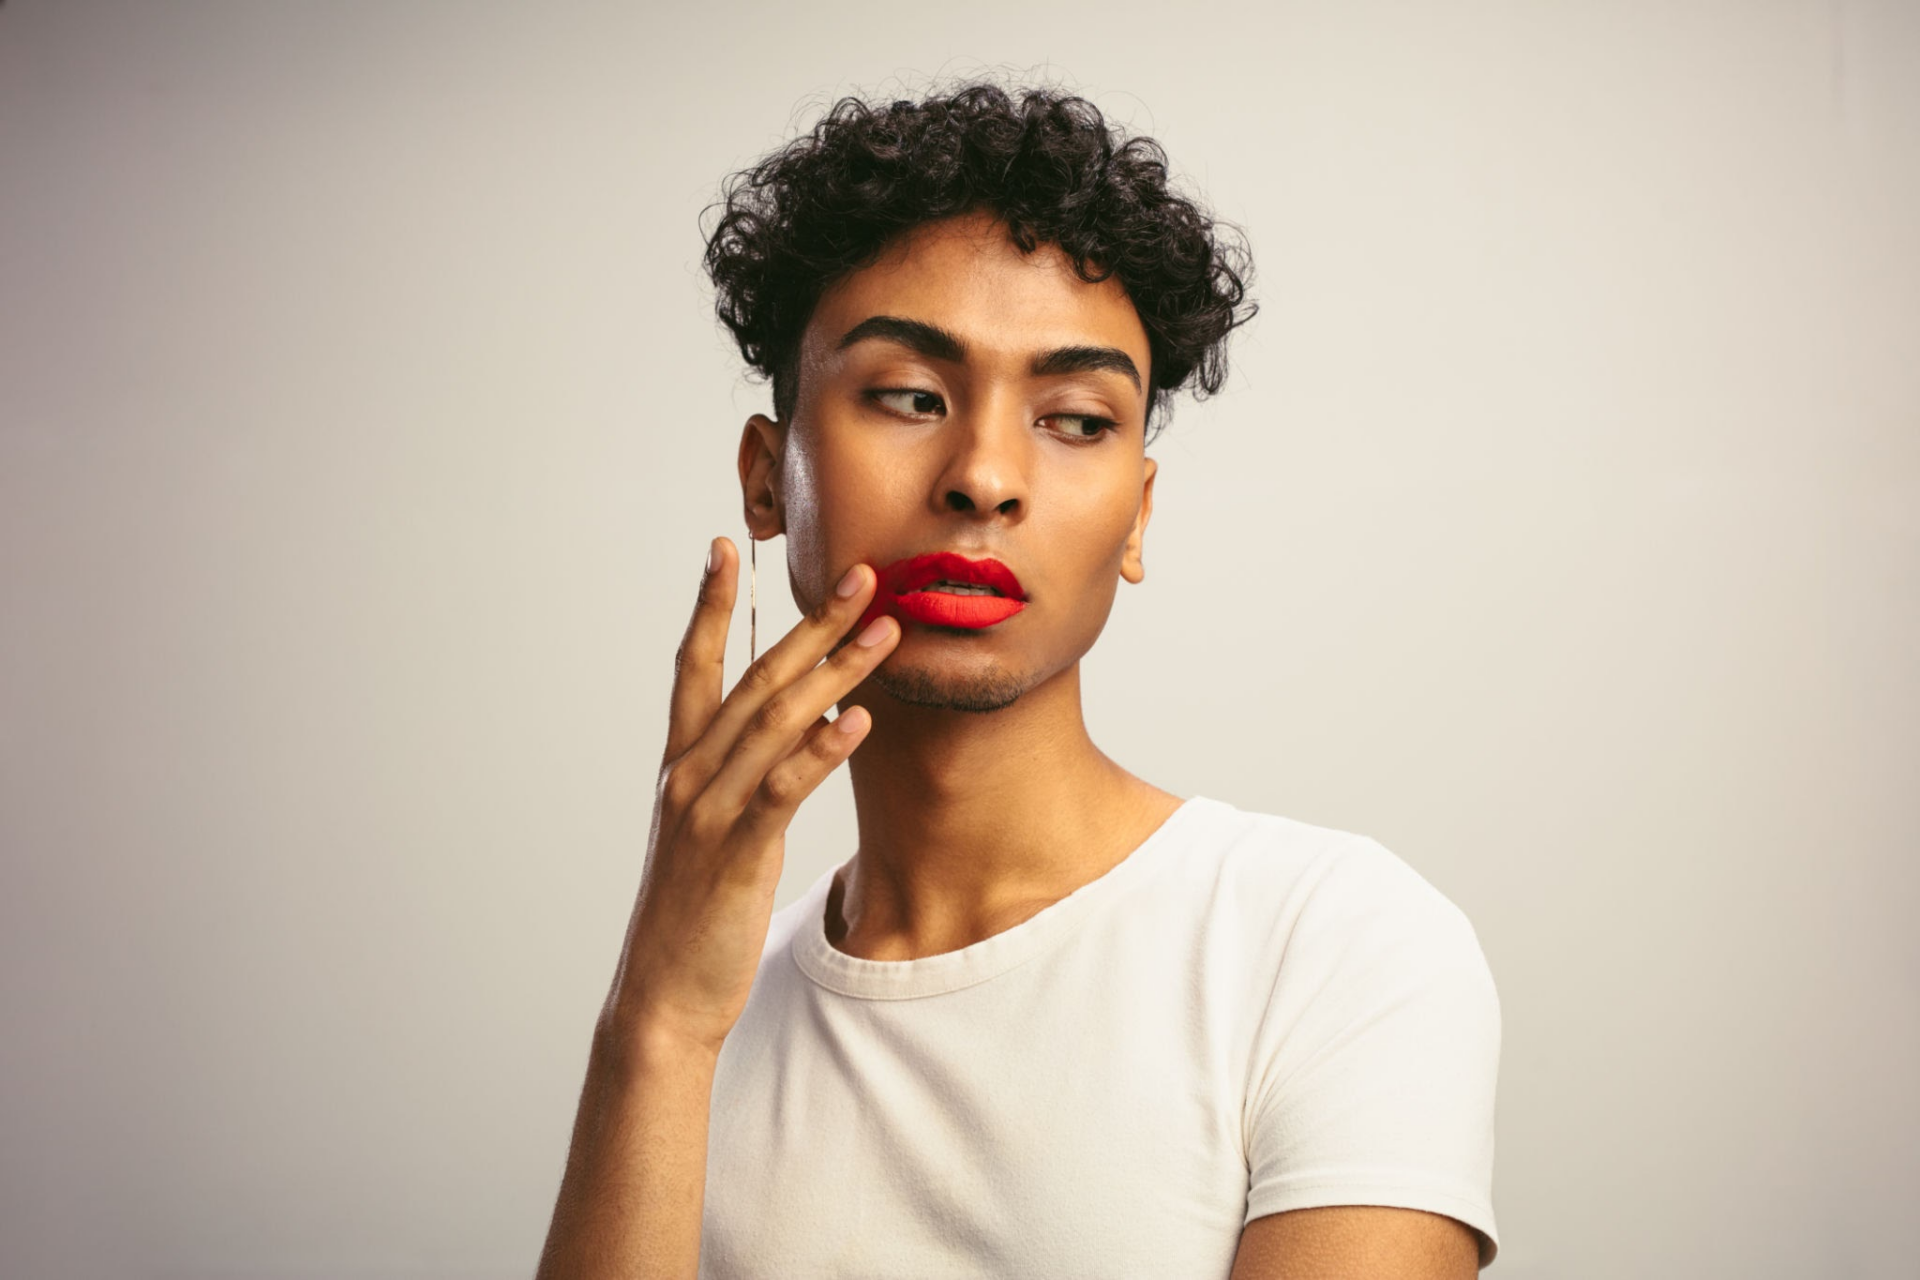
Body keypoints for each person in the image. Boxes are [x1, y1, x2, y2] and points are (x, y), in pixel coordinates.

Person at [535, 82, 1501, 1279]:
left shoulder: (1329, 940)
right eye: (910, 396)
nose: (985, 475)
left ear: (1139, 517)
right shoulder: (696, 1013)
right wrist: (659, 1026)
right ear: (764, 479)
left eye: (1075, 418)